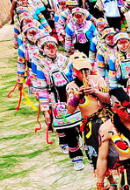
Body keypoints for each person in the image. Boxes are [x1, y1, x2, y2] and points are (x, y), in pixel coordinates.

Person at [66, 52, 117, 188]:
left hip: (106, 120)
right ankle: (112, 183)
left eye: (86, 69)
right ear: (74, 70)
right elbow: (69, 110)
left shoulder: (98, 79)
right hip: (90, 126)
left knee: (115, 151)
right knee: (97, 156)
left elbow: (110, 100)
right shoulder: (72, 86)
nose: (84, 72)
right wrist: (77, 96)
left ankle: (125, 181)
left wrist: (95, 92)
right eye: (80, 70)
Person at [36, 32, 86, 170]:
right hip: (56, 101)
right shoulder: (41, 66)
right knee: (67, 128)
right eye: (47, 47)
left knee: (80, 125)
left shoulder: (66, 60)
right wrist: (46, 110)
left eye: (53, 47)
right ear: (42, 49)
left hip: (72, 95)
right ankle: (76, 157)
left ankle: (83, 145)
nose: (51, 50)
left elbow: (76, 77)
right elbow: (42, 89)